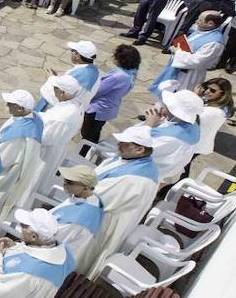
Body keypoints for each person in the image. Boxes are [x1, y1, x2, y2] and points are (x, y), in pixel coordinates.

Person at [87, 125, 160, 276]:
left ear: (140, 150)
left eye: (124, 144)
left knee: (86, 255)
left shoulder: (136, 179)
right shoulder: (130, 159)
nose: (118, 145)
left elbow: (101, 197)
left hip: (103, 222)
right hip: (98, 212)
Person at [0, 90, 45, 227]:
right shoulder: (34, 119)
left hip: (5, 175)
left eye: (11, 104)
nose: (7, 105)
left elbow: (2, 158)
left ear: (21, 109)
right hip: (14, 169)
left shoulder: (18, 136)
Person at [149, 10, 226, 96]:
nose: (196, 22)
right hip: (179, 69)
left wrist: (178, 52)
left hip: (189, 75)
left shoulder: (215, 43)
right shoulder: (202, 31)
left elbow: (198, 61)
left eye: (200, 20)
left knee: (177, 98)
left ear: (210, 23)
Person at [33, 75, 84, 197]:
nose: (53, 91)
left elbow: (46, 137)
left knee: (33, 180)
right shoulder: (71, 105)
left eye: (55, 89)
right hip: (55, 147)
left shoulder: (66, 115)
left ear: (62, 93)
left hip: (46, 152)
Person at [50, 165, 104, 274]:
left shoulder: (80, 217)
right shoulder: (89, 198)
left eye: (70, 182)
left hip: (54, 259)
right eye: (65, 179)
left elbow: (51, 241)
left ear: (85, 187)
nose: (64, 184)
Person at [81, 44, 140, 143]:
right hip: (108, 107)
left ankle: (82, 155)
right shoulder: (131, 72)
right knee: (94, 132)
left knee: (88, 135)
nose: (112, 56)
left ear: (122, 59)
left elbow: (97, 90)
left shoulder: (118, 76)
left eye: (115, 55)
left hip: (98, 109)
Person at [147, 88, 204, 184]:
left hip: (148, 175)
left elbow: (138, 148)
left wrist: (149, 124)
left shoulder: (170, 137)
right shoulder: (193, 126)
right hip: (167, 174)